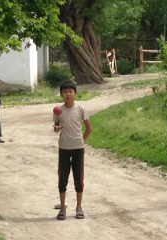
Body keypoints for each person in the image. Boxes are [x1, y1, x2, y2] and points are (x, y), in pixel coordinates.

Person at [53, 81, 92, 220]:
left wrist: (82, 141)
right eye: (65, 92)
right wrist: (56, 128)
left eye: (70, 91)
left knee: (78, 179)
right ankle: (62, 208)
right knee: (62, 178)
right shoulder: (58, 110)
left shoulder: (81, 109)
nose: (68, 94)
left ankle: (79, 207)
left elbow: (89, 128)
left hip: (78, 149)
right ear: (61, 94)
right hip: (63, 148)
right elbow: (56, 127)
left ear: (75, 93)